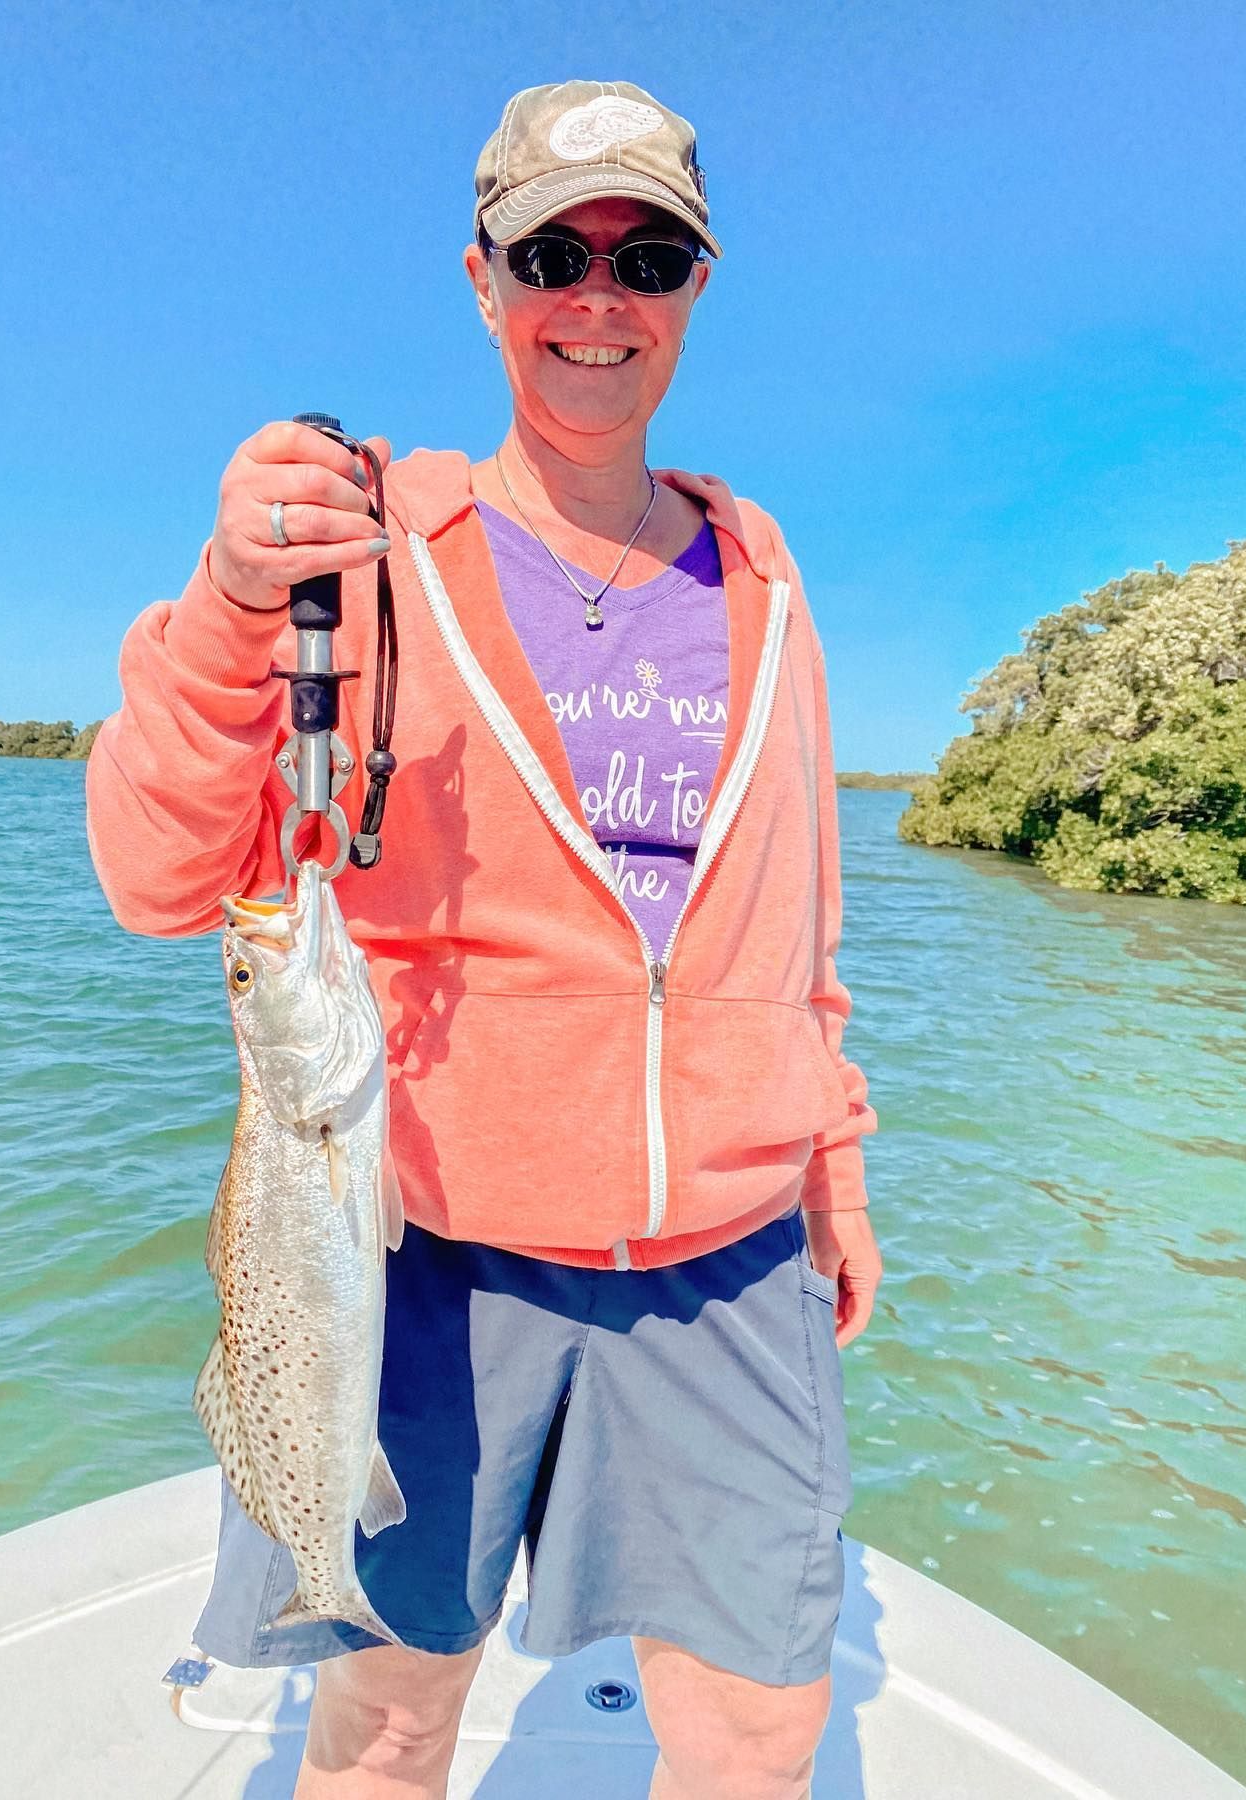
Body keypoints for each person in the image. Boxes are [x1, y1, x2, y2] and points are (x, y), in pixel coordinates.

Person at [87, 77, 883, 1800]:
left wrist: (834, 1166)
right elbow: (156, 877)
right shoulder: (363, 552)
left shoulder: (765, 577)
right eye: (552, 254)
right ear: (483, 279)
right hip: (424, 1254)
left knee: (762, 1734)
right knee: (386, 1726)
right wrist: (229, 603)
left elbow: (800, 927)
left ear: (694, 288)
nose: (599, 298)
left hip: (728, 1258)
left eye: (646, 257)